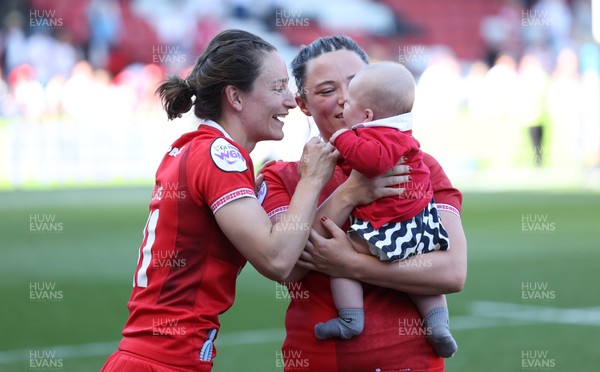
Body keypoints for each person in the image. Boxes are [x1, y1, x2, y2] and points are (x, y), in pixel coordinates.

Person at [101, 29, 341, 371]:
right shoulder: (219, 154)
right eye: (277, 88)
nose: (290, 101)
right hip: (162, 361)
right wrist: (314, 180)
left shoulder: (198, 147)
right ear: (236, 98)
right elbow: (278, 261)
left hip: (159, 357)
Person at [259, 36, 467, 371]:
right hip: (321, 361)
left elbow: (452, 273)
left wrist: (351, 264)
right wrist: (350, 193)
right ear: (303, 104)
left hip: (412, 362)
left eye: (355, 85)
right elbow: (288, 266)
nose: (344, 100)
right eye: (327, 91)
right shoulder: (281, 177)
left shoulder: (420, 166)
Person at [312, 61, 457, 358]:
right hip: (419, 227)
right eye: (330, 90)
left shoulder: (376, 139)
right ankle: (438, 323)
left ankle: (351, 318)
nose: (342, 102)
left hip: (390, 228)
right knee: (419, 276)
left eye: (349, 98)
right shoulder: (401, 134)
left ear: (367, 115)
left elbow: (371, 161)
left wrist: (340, 136)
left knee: (339, 255)